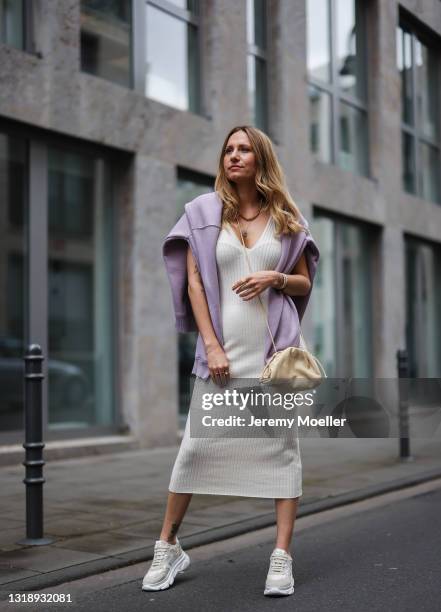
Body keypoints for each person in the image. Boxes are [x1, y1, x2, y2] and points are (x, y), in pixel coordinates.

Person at [141, 125, 320, 596]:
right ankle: (168, 545)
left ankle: (280, 557)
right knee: (194, 451)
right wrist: (212, 346)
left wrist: (274, 277)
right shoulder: (203, 213)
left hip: (272, 357)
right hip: (222, 356)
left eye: (243, 149)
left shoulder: (285, 215)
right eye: (228, 150)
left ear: (260, 158)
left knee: (282, 452)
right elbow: (195, 284)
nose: (234, 156)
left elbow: (304, 282)